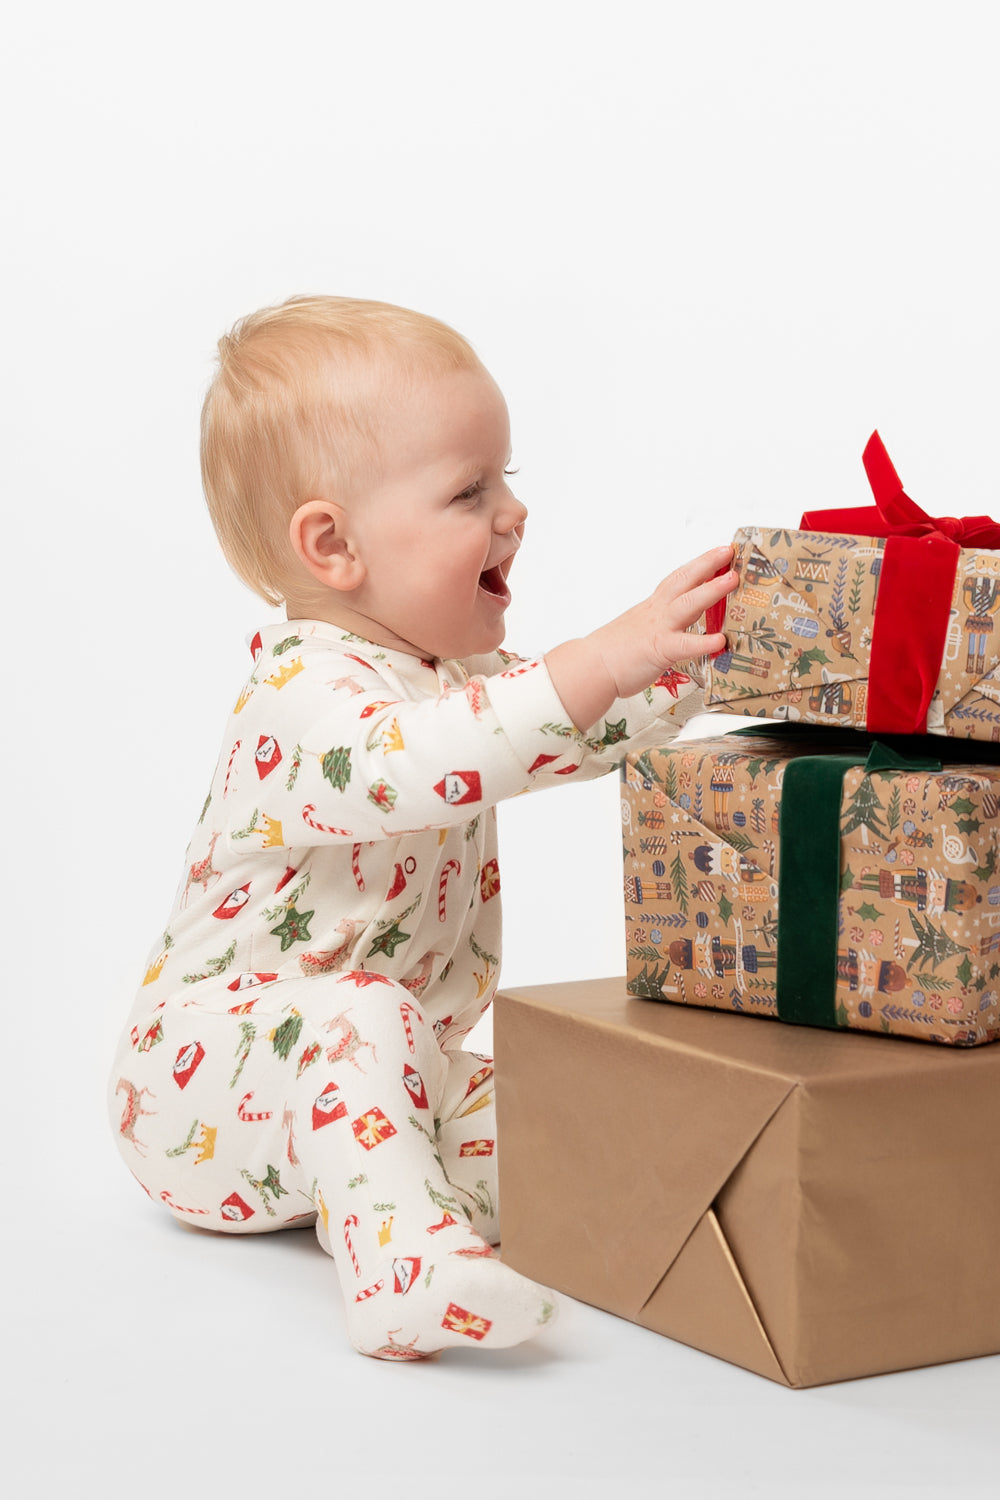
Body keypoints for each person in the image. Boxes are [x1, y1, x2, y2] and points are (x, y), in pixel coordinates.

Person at [108, 296, 736, 1361]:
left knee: (549, 1133)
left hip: (394, 1069)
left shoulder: (458, 681)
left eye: (508, 480)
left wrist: (681, 661)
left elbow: (556, 732)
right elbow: (427, 760)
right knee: (361, 1014)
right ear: (333, 545)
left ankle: (646, 1244)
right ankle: (403, 1275)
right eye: (466, 491)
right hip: (203, 1082)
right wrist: (604, 653)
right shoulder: (302, 694)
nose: (512, 513)